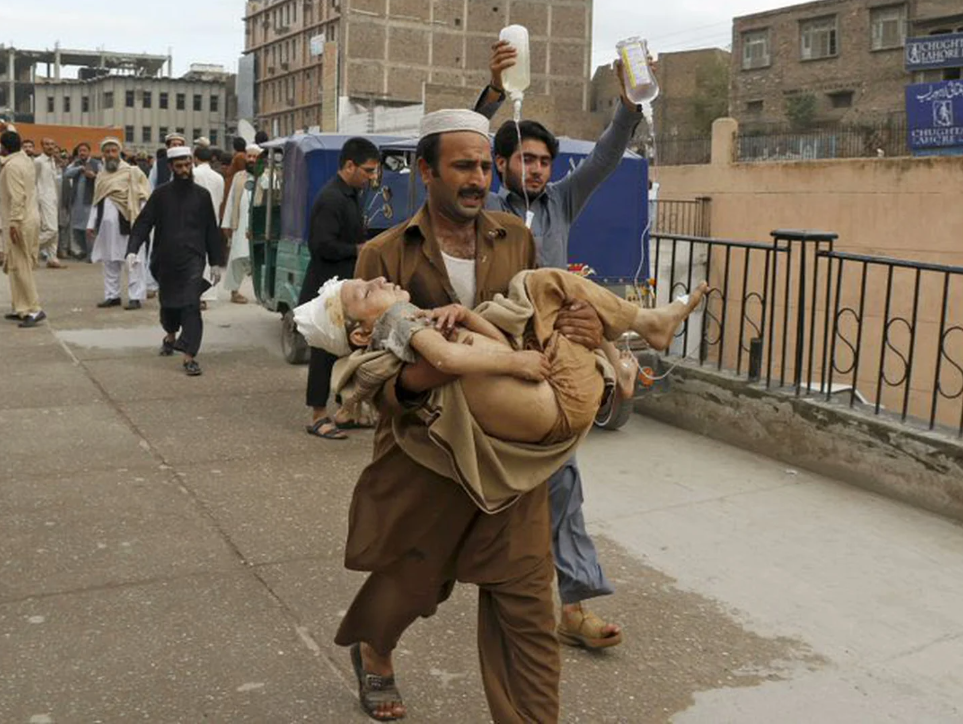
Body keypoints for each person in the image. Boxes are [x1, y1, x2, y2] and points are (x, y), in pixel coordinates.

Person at [336, 109, 567, 723]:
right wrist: (445, 366)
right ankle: (376, 649)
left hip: (509, 453)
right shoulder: (383, 254)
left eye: (485, 166)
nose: (478, 179)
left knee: (527, 604)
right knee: (412, 582)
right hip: (425, 452)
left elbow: (531, 327)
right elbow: (375, 384)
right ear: (425, 170)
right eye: (462, 166)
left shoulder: (515, 235)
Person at [473, 40, 647, 649]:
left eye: (545, 160)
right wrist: (492, 96)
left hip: (551, 366)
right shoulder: (482, 207)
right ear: (499, 165)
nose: (538, 169)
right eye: (525, 158)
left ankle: (574, 605)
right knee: (472, 492)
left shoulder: (561, 202)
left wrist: (628, 107)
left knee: (562, 481)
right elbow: (462, 147)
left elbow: (602, 159)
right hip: (487, 359)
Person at [299, 137, 381, 440]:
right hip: (326, 292)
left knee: (349, 352)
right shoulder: (331, 198)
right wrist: (357, 249)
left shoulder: (351, 195)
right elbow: (320, 245)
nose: (372, 177)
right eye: (368, 170)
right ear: (349, 166)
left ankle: (347, 411)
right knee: (323, 354)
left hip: (344, 288)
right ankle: (318, 416)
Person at [127, 146, 225, 377]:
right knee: (169, 306)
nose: (184, 170)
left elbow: (211, 229)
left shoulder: (202, 195)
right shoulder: (160, 195)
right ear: (170, 167)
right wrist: (132, 250)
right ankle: (170, 335)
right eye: (179, 166)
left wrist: (215, 261)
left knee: (191, 304)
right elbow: (143, 223)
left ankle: (189, 356)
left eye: (187, 165)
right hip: (165, 260)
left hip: (193, 259)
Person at [87, 138, 151, 310]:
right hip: (106, 227)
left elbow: (143, 197)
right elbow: (97, 200)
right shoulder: (101, 175)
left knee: (133, 261)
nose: (110, 155)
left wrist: (142, 222)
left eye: (113, 151)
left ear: (119, 152)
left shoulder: (133, 172)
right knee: (109, 261)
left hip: (129, 224)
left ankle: (135, 297)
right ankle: (112, 295)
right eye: (106, 152)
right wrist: (90, 224)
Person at [0, 130, 46, 327]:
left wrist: (14, 223)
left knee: (21, 267)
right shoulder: (25, 160)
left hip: (20, 221)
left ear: (3, 147)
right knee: (15, 266)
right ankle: (21, 308)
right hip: (29, 218)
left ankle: (34, 310)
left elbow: (17, 197)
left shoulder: (11, 167)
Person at [220, 144, 261, 305]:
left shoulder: (267, 176)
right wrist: (227, 224)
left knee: (258, 261)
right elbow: (231, 201)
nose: (251, 159)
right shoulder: (239, 177)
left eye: (254, 157)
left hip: (259, 227)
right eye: (249, 156)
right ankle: (234, 291)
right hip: (240, 224)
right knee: (236, 258)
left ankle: (260, 294)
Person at [192, 145, 225, 307]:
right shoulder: (218, 178)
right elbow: (220, 200)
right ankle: (207, 295)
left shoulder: (193, 174)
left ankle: (196, 294)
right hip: (213, 221)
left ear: (195, 158)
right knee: (210, 256)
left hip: (194, 221)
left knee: (196, 257)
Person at [63, 142, 101, 261]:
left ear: (89, 152)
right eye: (80, 151)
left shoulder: (97, 163)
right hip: (76, 202)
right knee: (76, 229)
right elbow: (66, 174)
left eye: (84, 150)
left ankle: (91, 254)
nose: (82, 153)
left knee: (89, 229)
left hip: (89, 201)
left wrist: (93, 176)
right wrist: (79, 168)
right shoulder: (75, 164)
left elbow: (104, 178)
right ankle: (84, 251)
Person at [34, 137, 66, 268]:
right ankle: (30, 249)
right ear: (42, 146)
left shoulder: (54, 161)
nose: (50, 146)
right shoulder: (38, 161)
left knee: (55, 230)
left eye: (52, 144)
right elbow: (33, 181)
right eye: (47, 144)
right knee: (51, 230)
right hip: (43, 197)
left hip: (54, 197)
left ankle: (52, 258)